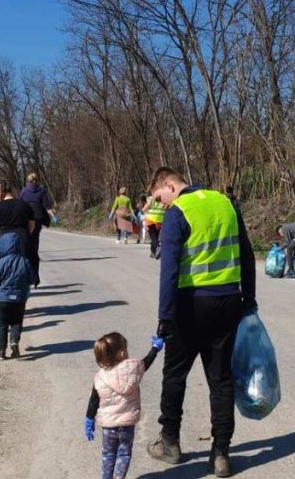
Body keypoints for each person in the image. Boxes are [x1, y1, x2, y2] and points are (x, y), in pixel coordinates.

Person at [146, 167, 256, 478]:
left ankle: (169, 443)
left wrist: (165, 317)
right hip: (228, 301)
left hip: (190, 304)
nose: (161, 205)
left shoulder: (178, 212)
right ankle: (221, 454)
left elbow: (169, 270)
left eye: (159, 198)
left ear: (170, 185)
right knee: (220, 379)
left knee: (175, 374)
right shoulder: (226, 203)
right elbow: (245, 254)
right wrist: (249, 299)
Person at [84, 332, 165, 479]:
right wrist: (155, 348)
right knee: (124, 454)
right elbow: (146, 362)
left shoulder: (100, 377)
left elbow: (94, 400)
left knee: (108, 455)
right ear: (122, 354)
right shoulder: (133, 370)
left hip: (108, 427)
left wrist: (89, 418)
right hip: (127, 425)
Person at [0, 181, 36, 357]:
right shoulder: (24, 205)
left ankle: (0, 348)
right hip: (22, 240)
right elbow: (31, 226)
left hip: (2, 240)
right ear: (12, 191)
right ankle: (21, 293)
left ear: (0, 193)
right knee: (22, 267)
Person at [20, 172, 56, 287]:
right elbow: (47, 206)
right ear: (37, 180)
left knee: (26, 246)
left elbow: (19, 204)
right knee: (35, 245)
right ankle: (35, 276)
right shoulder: (41, 191)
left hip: (26, 219)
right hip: (38, 219)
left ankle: (25, 273)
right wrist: (53, 216)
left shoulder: (24, 191)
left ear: (28, 180)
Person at [142, 194, 168, 260]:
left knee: (154, 237)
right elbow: (167, 209)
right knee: (154, 237)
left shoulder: (152, 199)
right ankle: (155, 249)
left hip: (153, 221)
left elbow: (144, 209)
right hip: (156, 221)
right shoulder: (164, 199)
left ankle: (155, 249)